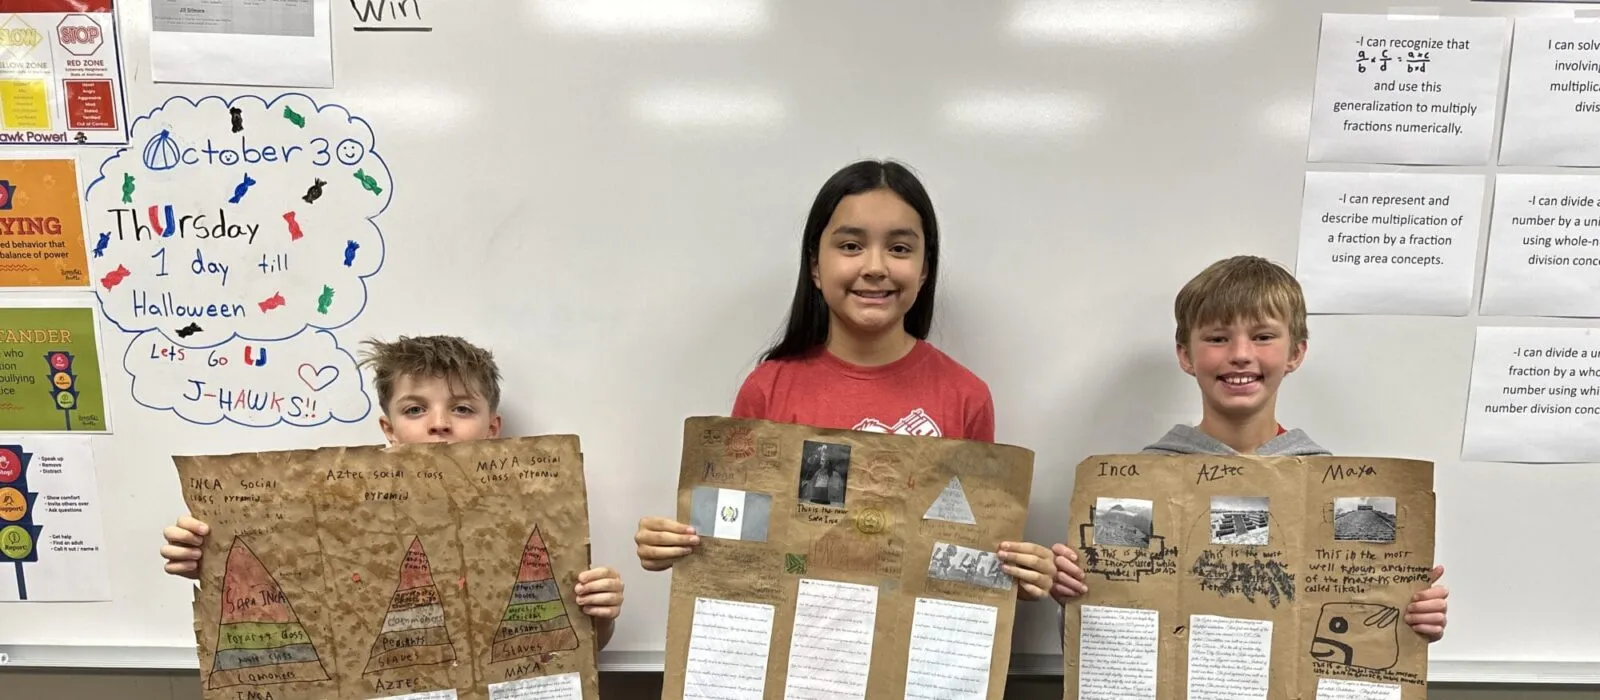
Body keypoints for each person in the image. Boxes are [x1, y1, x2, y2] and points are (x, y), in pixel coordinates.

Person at [633, 158, 1057, 600]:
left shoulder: (965, 396)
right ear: (815, 267)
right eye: (851, 246)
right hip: (799, 657)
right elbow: (737, 541)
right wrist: (677, 544)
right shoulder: (769, 389)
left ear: (925, 269)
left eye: (899, 248)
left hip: (910, 661)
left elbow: (969, 550)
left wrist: (1019, 575)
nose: (875, 267)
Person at [1048, 255, 1449, 641]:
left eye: (1262, 337)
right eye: (1218, 338)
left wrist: (1410, 621)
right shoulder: (1141, 485)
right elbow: (1098, 641)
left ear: (1295, 352)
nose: (1240, 355)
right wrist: (1075, 596)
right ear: (1186, 355)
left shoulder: (1328, 486)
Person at [159, 335, 626, 649]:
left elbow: (577, 643)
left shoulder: (538, 511)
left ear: (492, 429)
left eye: (462, 408)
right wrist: (215, 561)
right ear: (390, 429)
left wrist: (600, 614)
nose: (439, 423)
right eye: (416, 408)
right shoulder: (337, 513)